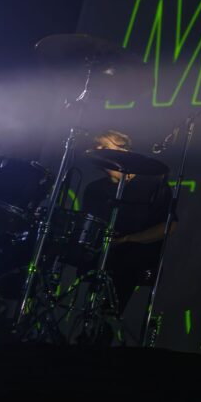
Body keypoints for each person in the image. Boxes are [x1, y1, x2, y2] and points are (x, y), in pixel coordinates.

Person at [80, 129, 177, 319]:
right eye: (96, 147)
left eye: (104, 146)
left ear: (123, 151)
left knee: (107, 311)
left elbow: (169, 226)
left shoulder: (153, 185)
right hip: (98, 258)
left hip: (132, 260)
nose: (99, 150)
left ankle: (105, 325)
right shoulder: (94, 189)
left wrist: (127, 239)